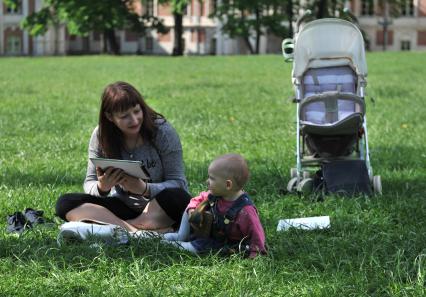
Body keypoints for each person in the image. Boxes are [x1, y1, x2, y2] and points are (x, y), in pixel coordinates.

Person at [56, 81, 191, 233]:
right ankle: (138, 231)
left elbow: (178, 183)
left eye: (136, 111)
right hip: (123, 207)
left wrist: (145, 188)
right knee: (65, 203)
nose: (134, 120)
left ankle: (117, 228)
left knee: (177, 197)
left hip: (159, 207)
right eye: (124, 116)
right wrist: (102, 187)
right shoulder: (101, 136)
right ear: (110, 117)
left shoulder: (162, 131)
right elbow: (89, 182)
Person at [163, 154, 266, 258]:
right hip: (209, 235)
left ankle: (176, 245)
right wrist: (192, 209)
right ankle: (181, 235)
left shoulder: (245, 211)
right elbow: (195, 200)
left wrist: (255, 253)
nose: (207, 181)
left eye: (211, 178)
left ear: (228, 185)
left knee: (200, 246)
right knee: (190, 208)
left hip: (227, 245)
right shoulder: (216, 195)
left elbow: (256, 234)